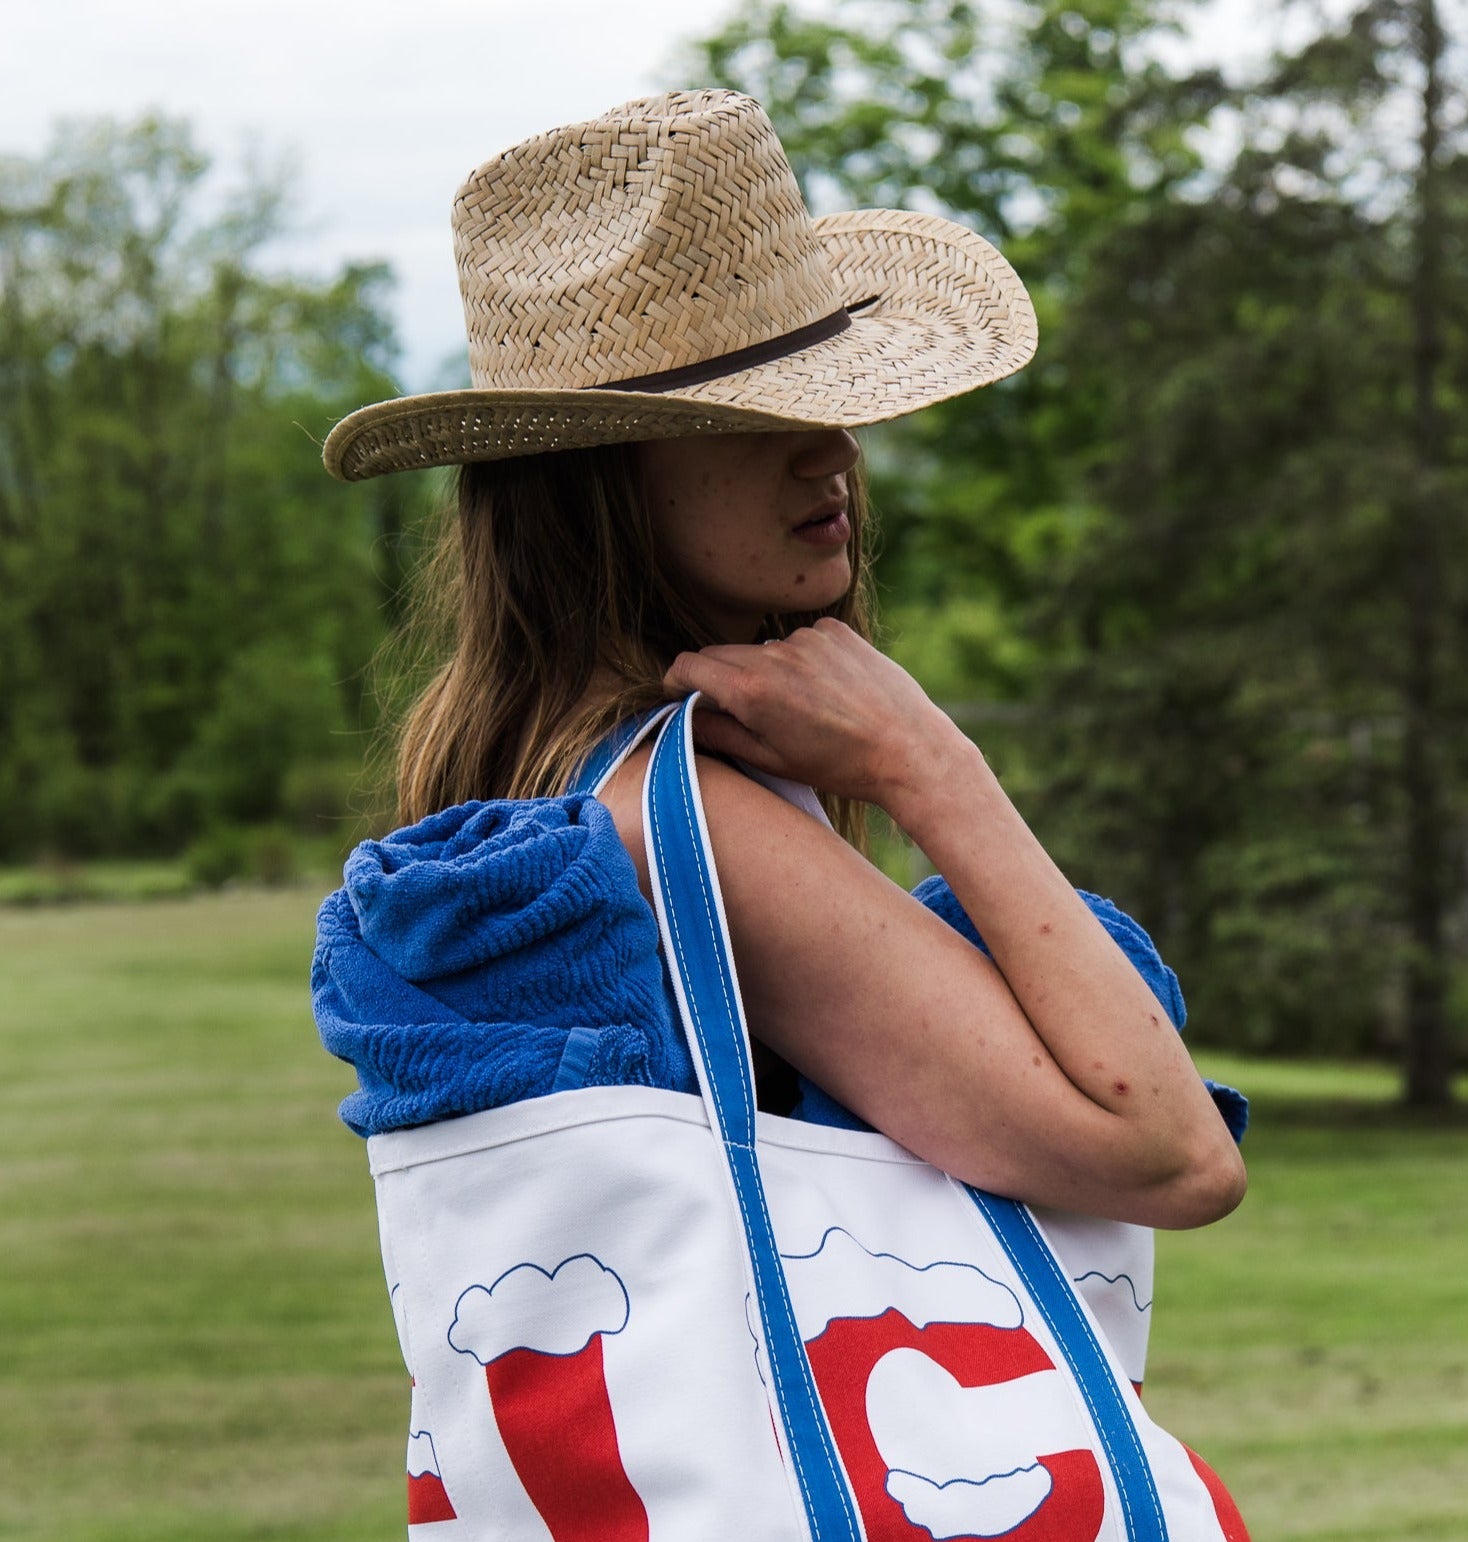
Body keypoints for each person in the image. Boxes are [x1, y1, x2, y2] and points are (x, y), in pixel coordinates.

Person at [318, 87, 1245, 1224]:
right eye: (753, 415)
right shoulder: (692, 827)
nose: (833, 450)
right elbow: (1168, 1153)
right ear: (597, 471)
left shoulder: (546, 767)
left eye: (827, 396)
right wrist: (930, 765)